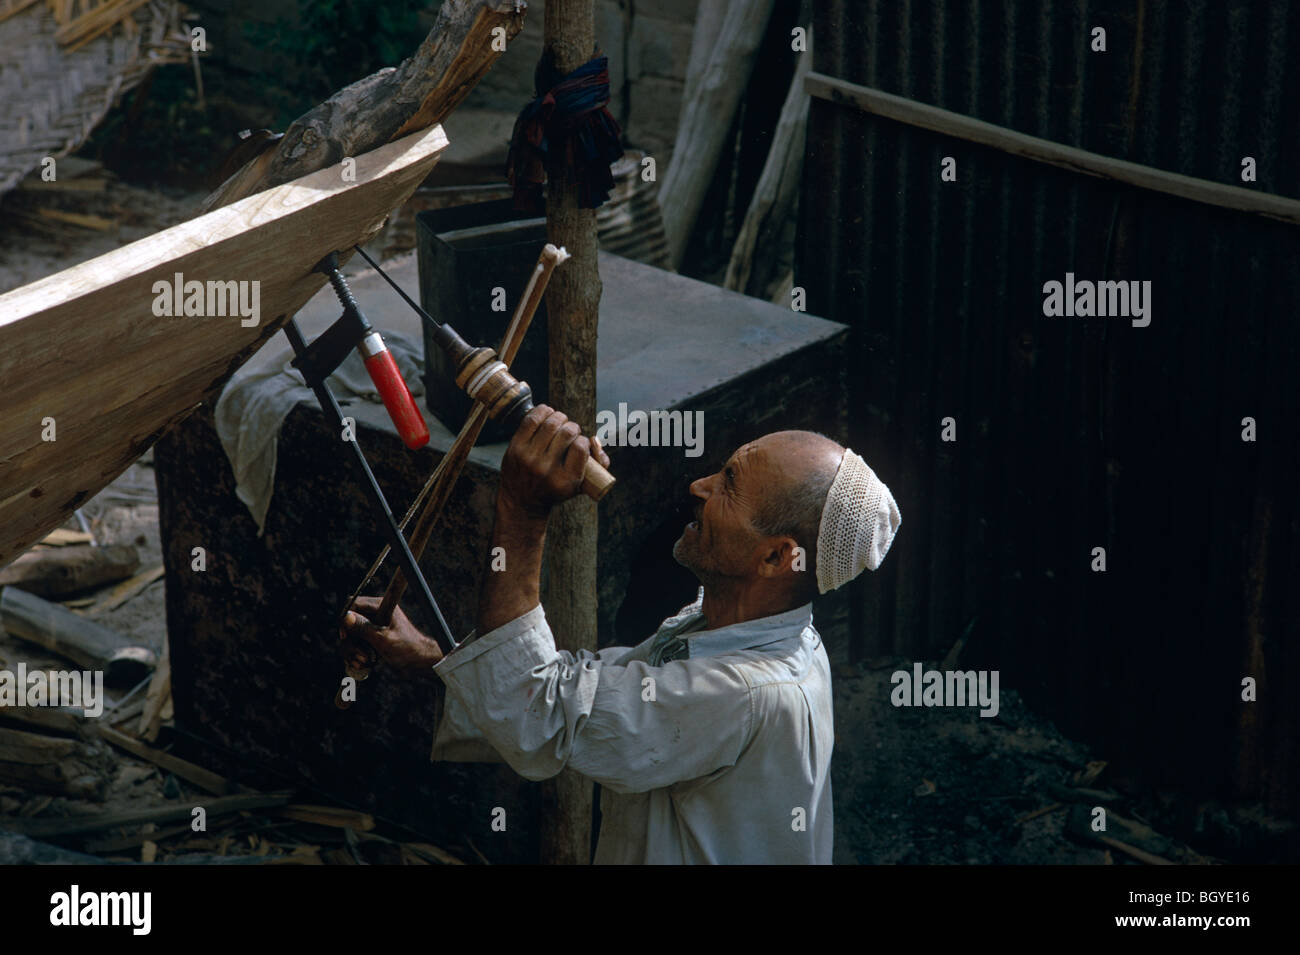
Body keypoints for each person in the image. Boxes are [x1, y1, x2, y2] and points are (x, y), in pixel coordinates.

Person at [343, 405, 901, 863]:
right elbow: (580, 698)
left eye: (729, 485)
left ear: (777, 557)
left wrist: (521, 508)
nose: (699, 486)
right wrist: (431, 658)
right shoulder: (745, 631)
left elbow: (539, 712)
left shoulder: (744, 693)